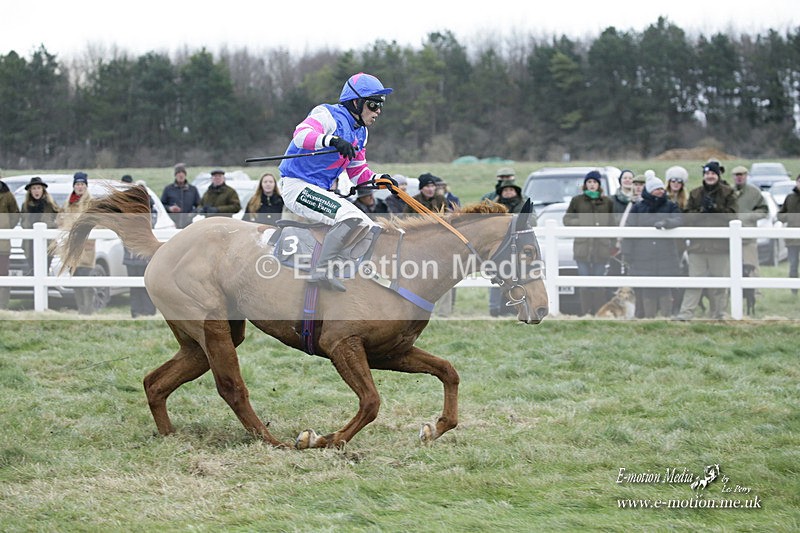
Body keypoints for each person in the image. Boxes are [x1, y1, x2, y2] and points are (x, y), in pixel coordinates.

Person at [278, 72, 396, 292]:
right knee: (351, 217)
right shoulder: (327, 114)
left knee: (368, 225)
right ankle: (321, 272)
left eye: (380, 106)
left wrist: (377, 179)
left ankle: (348, 272)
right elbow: (300, 135)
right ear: (356, 102)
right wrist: (331, 140)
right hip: (296, 186)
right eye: (373, 104)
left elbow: (358, 172)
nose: (378, 111)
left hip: (318, 190)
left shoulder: (362, 132)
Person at [674, 161, 738, 320]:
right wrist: (702, 210)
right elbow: (686, 217)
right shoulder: (696, 194)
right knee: (694, 283)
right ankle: (686, 314)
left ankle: (720, 313)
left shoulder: (728, 193)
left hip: (720, 247)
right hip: (698, 246)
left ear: (718, 175)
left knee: (720, 284)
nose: (710, 176)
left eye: (713, 174)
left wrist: (716, 208)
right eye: (707, 173)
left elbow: (733, 216)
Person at [621, 176, 682, 318]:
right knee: (648, 290)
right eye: (656, 189)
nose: (660, 191)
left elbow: (679, 219)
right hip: (643, 256)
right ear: (649, 190)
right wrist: (627, 253)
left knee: (665, 289)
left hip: (665, 255)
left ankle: (666, 318)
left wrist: (667, 223)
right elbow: (629, 229)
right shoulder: (638, 208)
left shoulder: (670, 205)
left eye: (661, 188)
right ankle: (649, 319)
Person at [562, 170, 615, 316]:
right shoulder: (577, 201)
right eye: (589, 182)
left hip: (601, 247)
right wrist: (581, 222)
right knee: (584, 282)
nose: (592, 185)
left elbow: (612, 224)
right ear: (585, 184)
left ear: (599, 185)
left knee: (598, 282)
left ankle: (599, 313)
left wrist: (613, 244)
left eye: (595, 182)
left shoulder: (607, 202)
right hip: (582, 247)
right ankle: (585, 312)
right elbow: (567, 220)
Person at [58, 172, 96, 315]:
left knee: (86, 281)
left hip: (86, 248)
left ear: (86, 186)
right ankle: (81, 309)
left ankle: (88, 310)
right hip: (71, 249)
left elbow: (97, 223)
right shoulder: (68, 202)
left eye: (82, 184)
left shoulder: (91, 203)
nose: (79, 187)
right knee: (76, 282)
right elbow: (61, 219)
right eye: (77, 184)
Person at [123, 179, 157, 317]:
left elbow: (151, 222)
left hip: (144, 255)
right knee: (134, 286)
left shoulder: (151, 208)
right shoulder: (127, 208)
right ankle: (135, 311)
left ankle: (148, 311)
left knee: (146, 285)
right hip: (130, 254)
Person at [731, 165, 768, 274]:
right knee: (731, 267)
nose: (739, 178)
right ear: (733, 177)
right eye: (737, 175)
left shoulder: (754, 192)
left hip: (749, 237)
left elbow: (764, 210)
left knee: (751, 267)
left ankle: (755, 291)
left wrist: (749, 216)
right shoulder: (728, 192)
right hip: (731, 238)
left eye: (742, 175)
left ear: (746, 176)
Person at [20, 176, 60, 274]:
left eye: (38, 188)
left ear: (43, 190)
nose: (36, 191)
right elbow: (23, 222)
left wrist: (50, 226)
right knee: (33, 272)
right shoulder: (25, 206)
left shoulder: (50, 205)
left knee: (44, 272)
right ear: (30, 191)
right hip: (30, 245)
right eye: (34, 188)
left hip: (47, 245)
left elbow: (59, 219)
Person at [664, 165, 690, 314]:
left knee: (680, 274)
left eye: (679, 181)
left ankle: (677, 306)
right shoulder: (662, 198)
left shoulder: (686, 201)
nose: (675, 184)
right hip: (665, 243)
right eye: (673, 180)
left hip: (680, 244)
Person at [0, 176, 21, 310]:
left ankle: (2, 304)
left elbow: (15, 215)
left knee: (3, 273)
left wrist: (6, 228)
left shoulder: (7, 196)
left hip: (3, 245)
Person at [777, 173, 800, 296]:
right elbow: (780, 215)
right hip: (792, 240)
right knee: (793, 265)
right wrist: (789, 217)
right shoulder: (790, 198)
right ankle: (794, 291)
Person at [161, 163, 201, 228]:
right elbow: (161, 206)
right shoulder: (168, 189)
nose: (181, 175)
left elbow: (199, 206)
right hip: (172, 225)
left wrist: (192, 214)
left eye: (183, 172)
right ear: (175, 175)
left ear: (185, 174)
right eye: (178, 172)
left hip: (189, 225)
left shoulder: (193, 189)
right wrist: (170, 208)